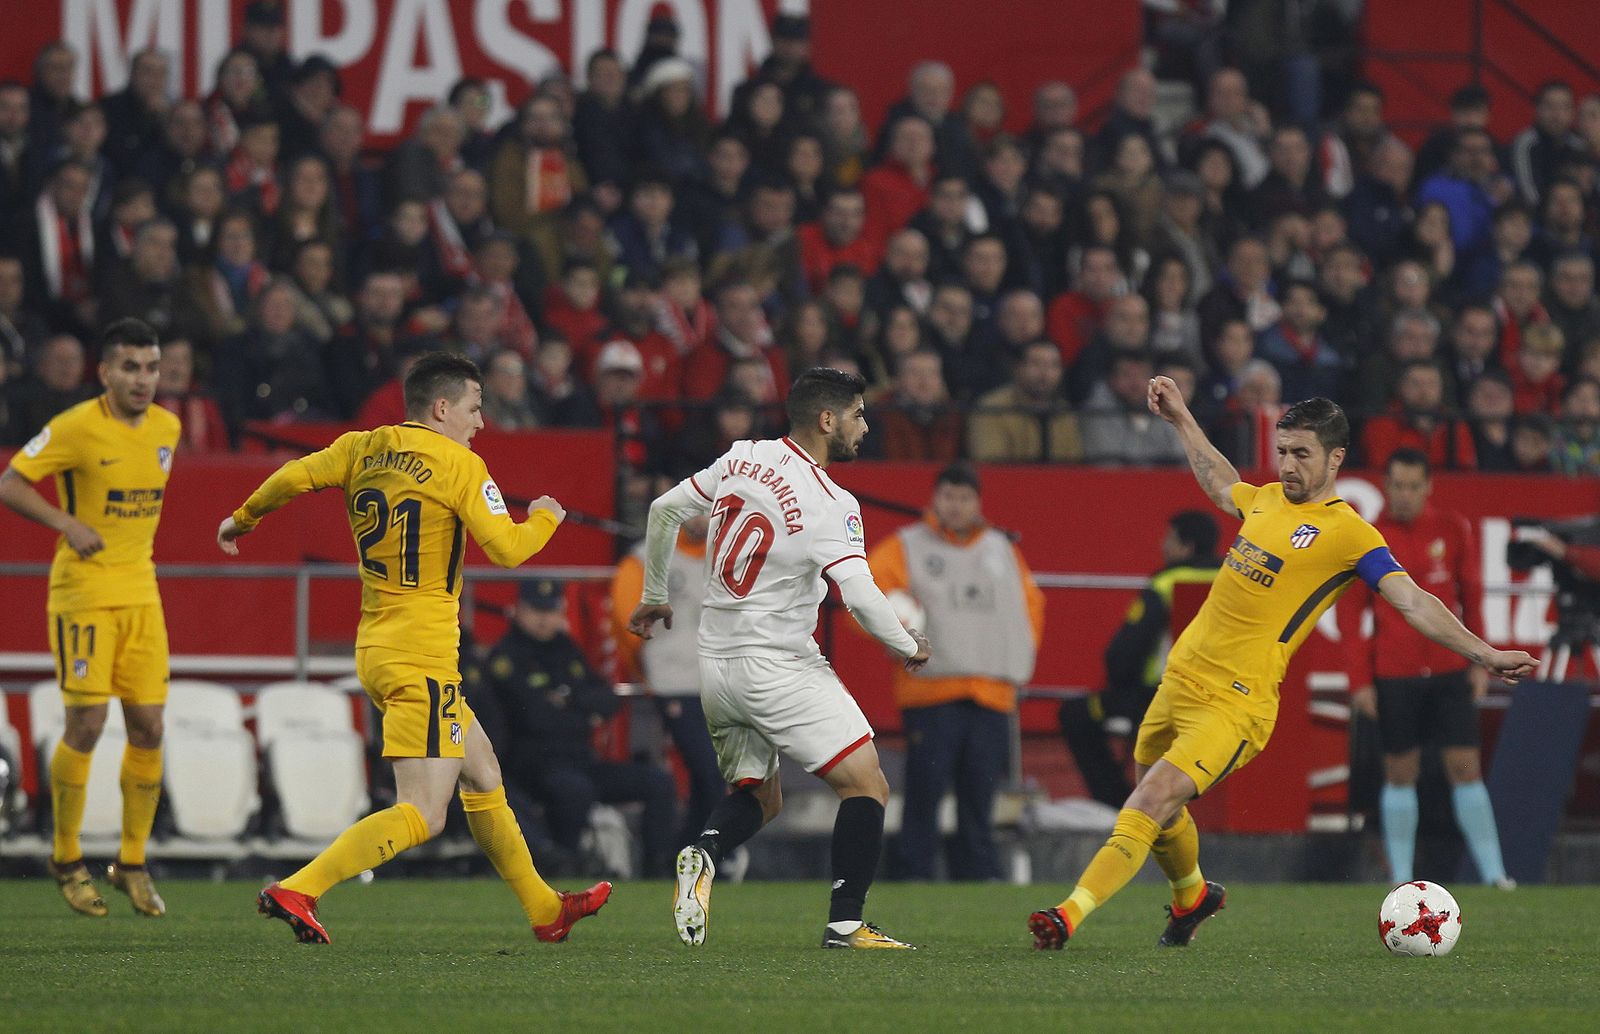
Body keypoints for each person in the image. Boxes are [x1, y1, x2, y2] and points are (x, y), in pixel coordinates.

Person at [1027, 384, 1537, 951]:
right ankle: (1193, 897)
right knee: (1158, 803)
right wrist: (1182, 420)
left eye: (1302, 454)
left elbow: (1413, 600)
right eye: (1283, 451)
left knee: (1149, 800)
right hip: (1180, 680)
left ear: (1335, 458)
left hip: (1237, 701)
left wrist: (1484, 654)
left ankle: (1066, 915)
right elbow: (1223, 483)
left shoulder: (1350, 534)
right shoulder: (1266, 499)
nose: (1288, 465)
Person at [217, 351, 609, 945]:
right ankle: (299, 887)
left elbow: (295, 475)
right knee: (424, 812)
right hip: (421, 657)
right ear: (443, 407)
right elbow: (507, 549)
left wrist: (244, 517)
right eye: (476, 410)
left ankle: (543, 908)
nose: (481, 423)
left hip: (379, 644)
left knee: (483, 775)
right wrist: (546, 519)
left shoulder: (362, 446)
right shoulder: (461, 465)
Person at [629, 367, 930, 950]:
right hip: (779, 664)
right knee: (867, 785)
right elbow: (861, 596)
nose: (864, 427)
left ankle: (703, 850)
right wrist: (905, 646)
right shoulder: (831, 501)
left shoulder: (742, 457)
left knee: (760, 796)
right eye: (858, 415)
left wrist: (655, 595)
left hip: (714, 664)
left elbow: (664, 509)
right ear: (827, 420)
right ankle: (846, 925)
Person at [0, 319, 178, 918]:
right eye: (130, 367)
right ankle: (66, 856)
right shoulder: (76, 427)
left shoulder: (167, 429)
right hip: (83, 595)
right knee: (86, 723)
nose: (143, 380)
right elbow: (10, 483)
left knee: (150, 727)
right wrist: (65, 523)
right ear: (104, 372)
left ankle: (131, 861)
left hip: (141, 594)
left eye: (151, 368)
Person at [1337, 449, 1512, 889]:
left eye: (1414, 486)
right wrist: (1359, 681)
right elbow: (1350, 618)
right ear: (1386, 485)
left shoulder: (1452, 528)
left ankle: (1493, 875)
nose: (1406, 494)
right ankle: (1401, 878)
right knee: (1400, 772)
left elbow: (1470, 597)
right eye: (1397, 485)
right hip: (1395, 674)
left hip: (1451, 670)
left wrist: (1479, 660)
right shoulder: (1368, 536)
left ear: (1428, 486)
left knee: (1465, 767)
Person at [865, 463, 1044, 880]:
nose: (956, 506)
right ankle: (913, 874)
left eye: (964, 498)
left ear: (977, 502)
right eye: (948, 496)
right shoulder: (906, 546)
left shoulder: (1003, 549)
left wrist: (1016, 656)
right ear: (934, 499)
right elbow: (868, 596)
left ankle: (977, 876)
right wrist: (899, 630)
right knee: (925, 795)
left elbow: (1030, 608)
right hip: (931, 693)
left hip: (992, 693)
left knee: (979, 797)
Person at [486, 578, 680, 876]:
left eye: (550, 611)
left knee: (658, 782)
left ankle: (657, 869)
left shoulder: (566, 650)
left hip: (581, 760)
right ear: (519, 610)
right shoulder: (506, 657)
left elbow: (607, 699)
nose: (543, 619)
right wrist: (581, 710)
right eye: (535, 610)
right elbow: (535, 719)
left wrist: (567, 703)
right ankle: (564, 863)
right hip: (535, 765)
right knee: (574, 789)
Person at [1060, 510, 1221, 809]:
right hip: (1224, 703)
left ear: (1187, 547)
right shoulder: (1233, 580)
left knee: (1075, 714)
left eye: (1169, 539)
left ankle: (1116, 804)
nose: (1162, 545)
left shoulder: (1165, 584)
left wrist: (1121, 686)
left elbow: (1123, 654)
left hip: (1156, 700)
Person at [611, 515, 725, 848]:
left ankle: (694, 852)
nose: (702, 519)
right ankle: (692, 850)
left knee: (716, 775)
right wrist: (650, 670)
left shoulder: (726, 554)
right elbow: (626, 623)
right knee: (707, 771)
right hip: (674, 682)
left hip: (719, 682)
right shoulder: (646, 558)